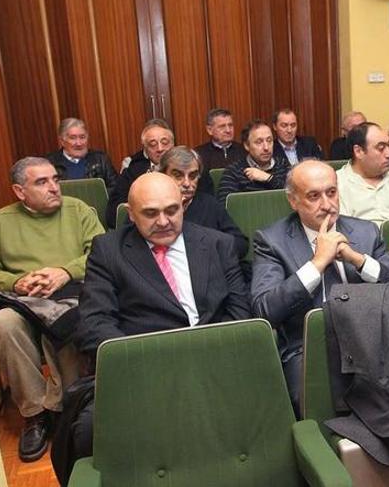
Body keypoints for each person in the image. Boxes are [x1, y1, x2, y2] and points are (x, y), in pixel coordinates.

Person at [66, 172, 252, 475]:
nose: (164, 221)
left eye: (172, 210)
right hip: (143, 371)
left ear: (183, 205)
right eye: (150, 213)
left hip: (213, 362)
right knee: (89, 428)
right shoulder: (108, 250)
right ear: (130, 213)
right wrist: (141, 365)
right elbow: (94, 323)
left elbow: (239, 311)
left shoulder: (218, 244)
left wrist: (210, 356)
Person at [0, 157, 104, 462]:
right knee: (4, 324)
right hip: (24, 299)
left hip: (73, 293)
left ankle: (69, 406)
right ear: (19, 191)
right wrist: (16, 282)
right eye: (42, 182)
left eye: (55, 179)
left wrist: (64, 271)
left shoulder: (78, 211)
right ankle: (35, 414)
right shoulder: (1, 221)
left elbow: (102, 252)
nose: (54, 187)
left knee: (70, 319)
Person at [251, 160, 389, 408]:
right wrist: (317, 263)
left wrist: (357, 260)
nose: (327, 205)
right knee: (317, 404)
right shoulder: (271, 241)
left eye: (331, 192)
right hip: (310, 347)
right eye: (314, 196)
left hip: (373, 340)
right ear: (293, 202)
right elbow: (265, 309)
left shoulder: (365, 232)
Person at [106, 119, 211, 226]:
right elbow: (114, 213)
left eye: (165, 143)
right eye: (152, 144)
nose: (160, 149)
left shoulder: (193, 168)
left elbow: (207, 206)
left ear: (173, 144)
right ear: (145, 149)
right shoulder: (132, 173)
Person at [157, 146, 249, 260]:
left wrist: (209, 248)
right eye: (178, 175)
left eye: (192, 176)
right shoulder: (150, 207)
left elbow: (241, 244)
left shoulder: (209, 204)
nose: (187, 183)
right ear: (163, 175)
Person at [216, 119, 290, 204]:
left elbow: (295, 196)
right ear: (247, 145)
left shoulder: (283, 165)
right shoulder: (234, 172)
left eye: (269, 141)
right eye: (259, 142)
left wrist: (269, 178)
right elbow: (225, 206)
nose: (266, 147)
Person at [46, 118, 118, 189]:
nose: (79, 143)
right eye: (73, 138)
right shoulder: (50, 163)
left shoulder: (101, 159)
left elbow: (116, 188)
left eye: (82, 137)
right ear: (62, 141)